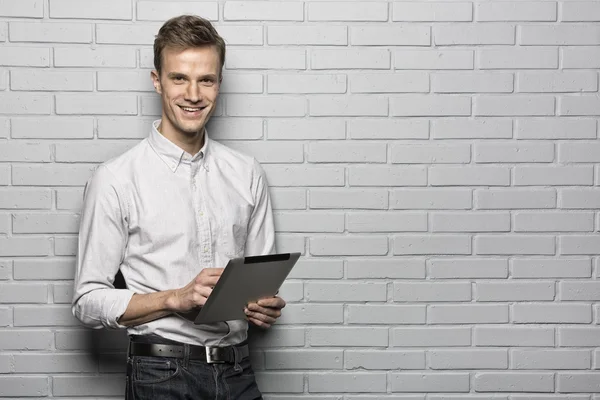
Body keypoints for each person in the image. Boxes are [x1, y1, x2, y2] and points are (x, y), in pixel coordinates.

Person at [71, 14, 285, 400]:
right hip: (160, 374)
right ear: (157, 81)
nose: (193, 94)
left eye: (206, 79)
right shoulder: (117, 178)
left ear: (219, 83)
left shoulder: (247, 173)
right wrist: (173, 298)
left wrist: (263, 307)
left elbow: (259, 281)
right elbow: (87, 301)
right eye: (179, 78)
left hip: (238, 371)